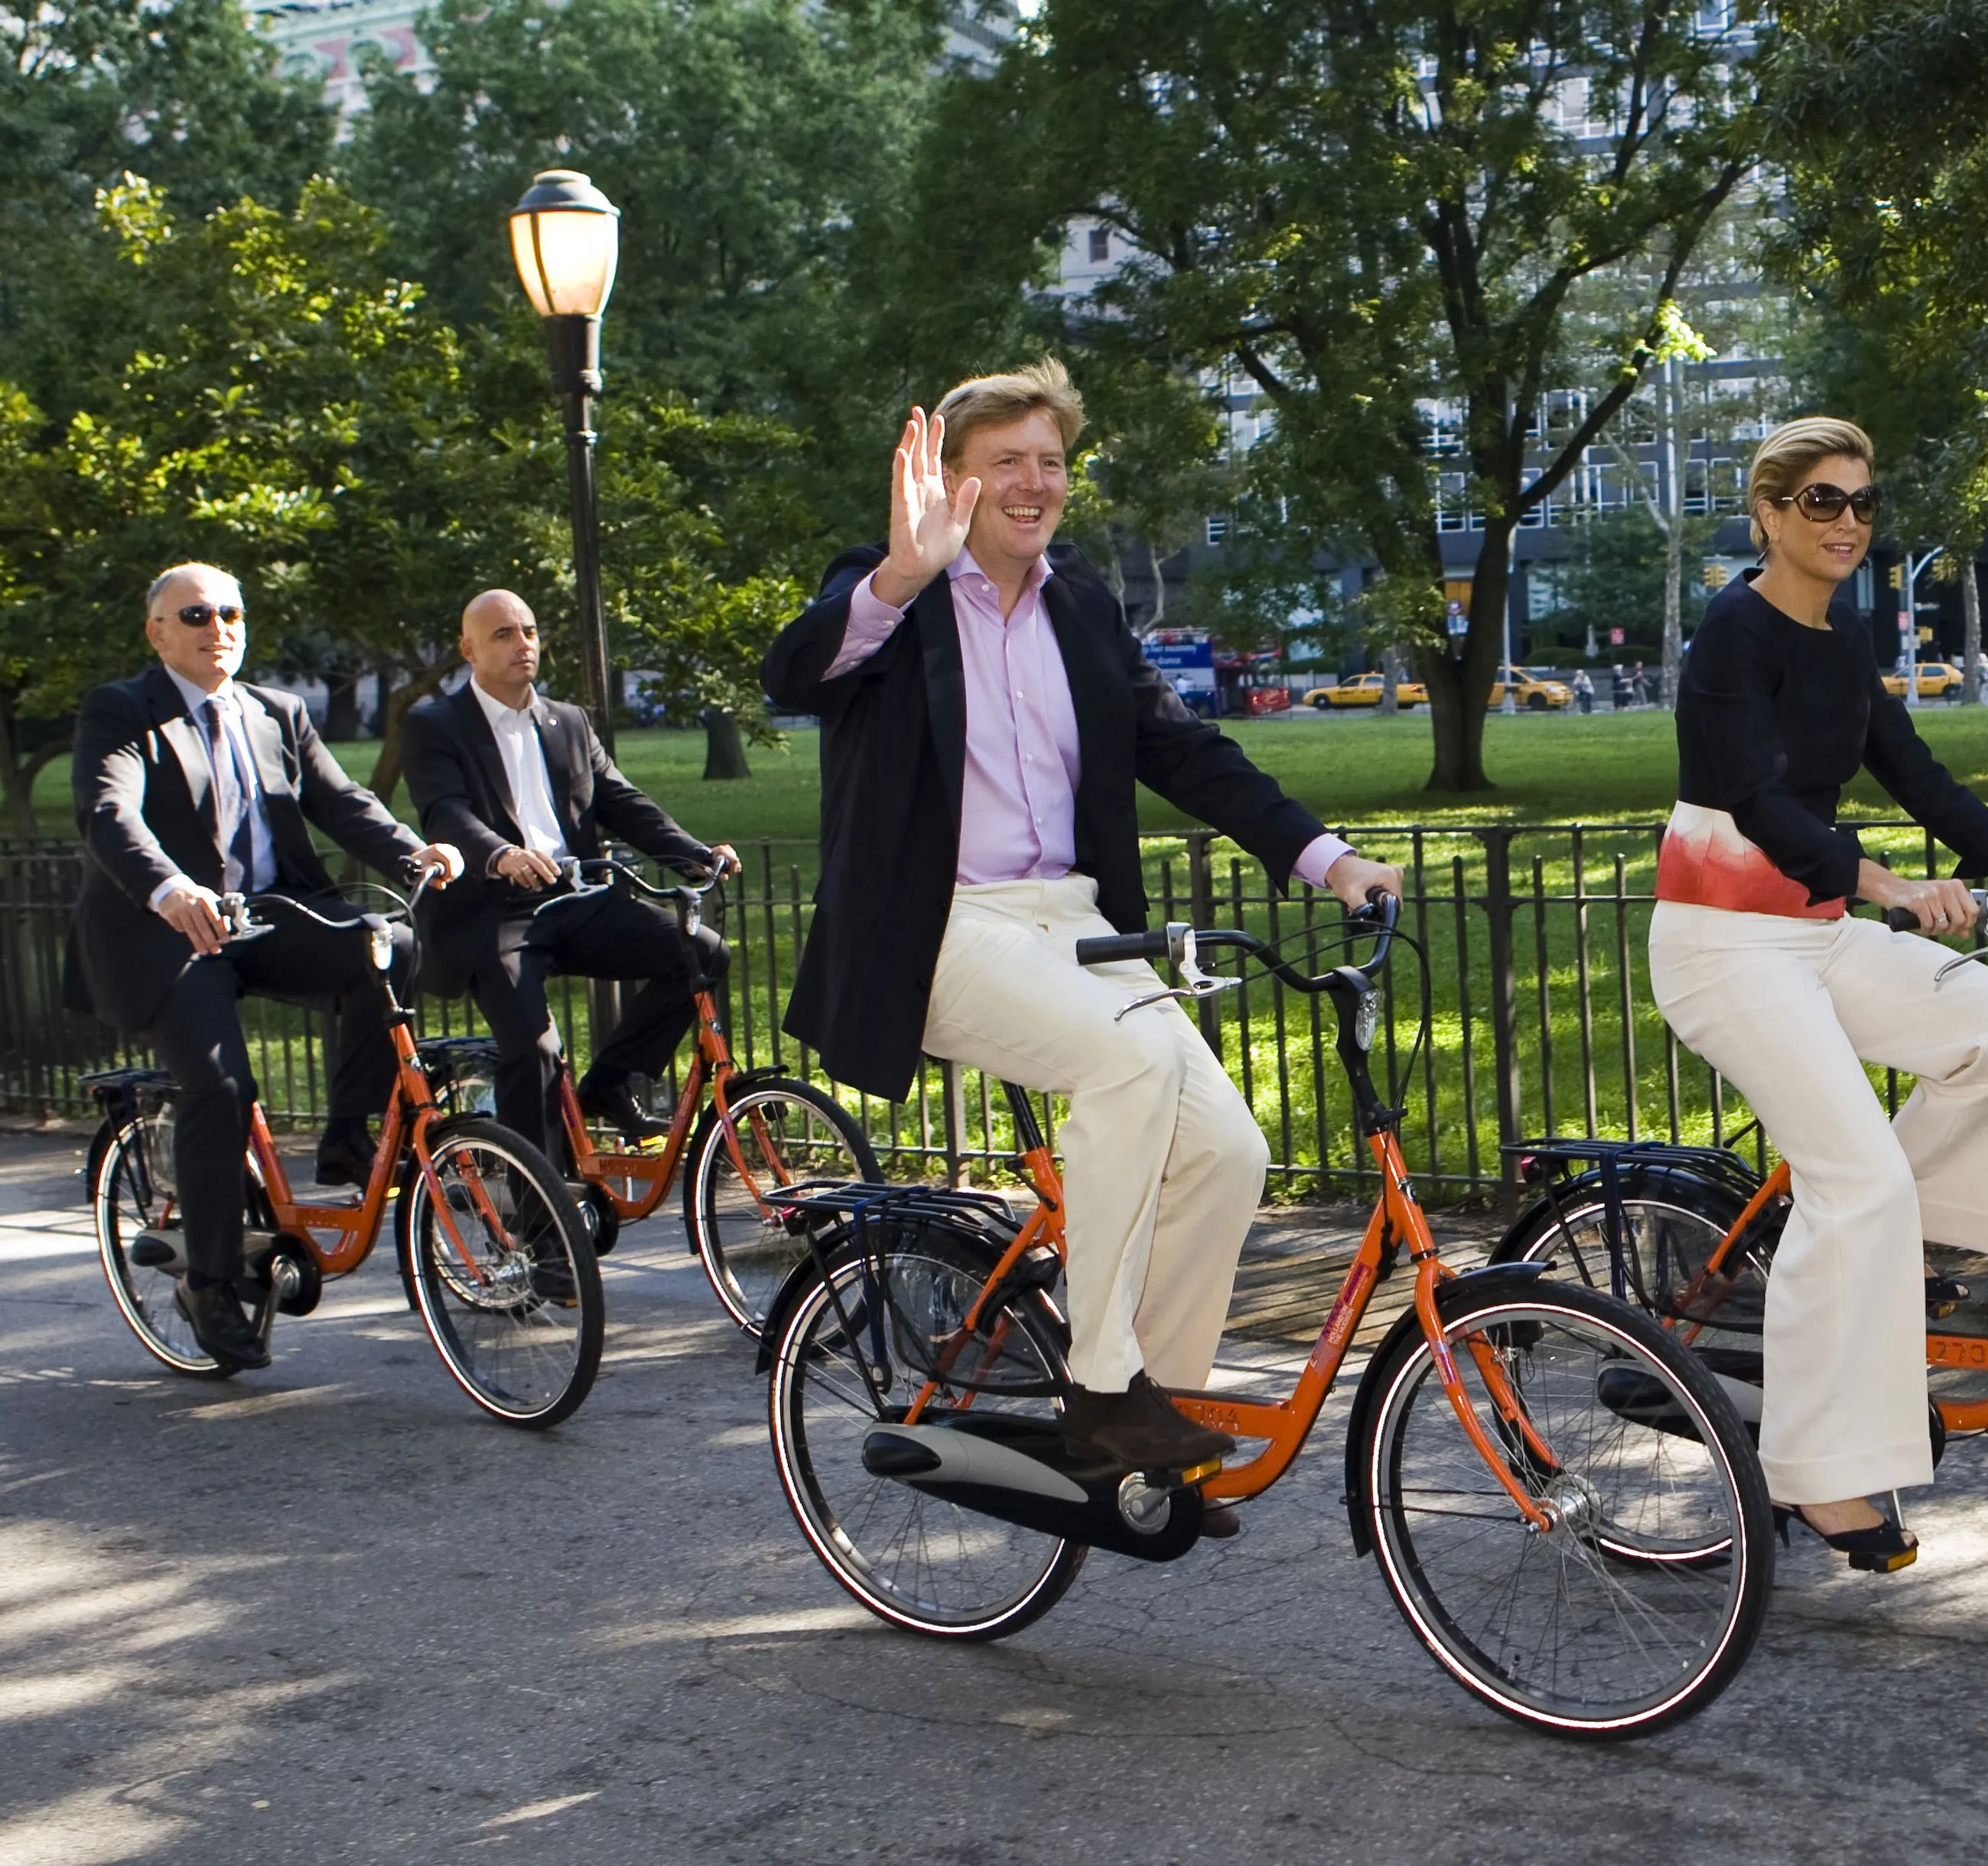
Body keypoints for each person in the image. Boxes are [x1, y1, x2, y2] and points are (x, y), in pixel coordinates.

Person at [762, 359, 1401, 1494]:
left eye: (1050, 461)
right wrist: (904, 572)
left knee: (1229, 1151)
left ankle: (1152, 1435)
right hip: (942, 928)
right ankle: (1102, 1386)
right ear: (952, 482)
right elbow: (795, 674)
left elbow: (1183, 748)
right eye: (1004, 461)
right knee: (1125, 1065)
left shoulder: (1083, 604)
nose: (1033, 482)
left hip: (1072, 920)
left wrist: (1329, 858)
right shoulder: (892, 591)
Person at [1649, 417, 1988, 1569]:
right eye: (1822, 500)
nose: (1848, 521)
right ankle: (1817, 1476)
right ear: (1768, 513)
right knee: (1855, 1180)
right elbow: (1759, 801)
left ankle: (1901, 1247)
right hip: (1723, 946)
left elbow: (1913, 770)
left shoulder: (1843, 630)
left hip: (1813, 934)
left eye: (1862, 502)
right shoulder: (1731, 634)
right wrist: (1889, 886)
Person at [67, 563, 464, 1369]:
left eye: (231, 614)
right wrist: (169, 888)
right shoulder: (123, 709)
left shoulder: (276, 711)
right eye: (196, 615)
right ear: (157, 632)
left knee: (389, 942)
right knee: (220, 1086)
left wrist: (411, 851)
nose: (218, 628)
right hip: (168, 933)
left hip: (269, 916)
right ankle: (210, 1283)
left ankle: (347, 1136)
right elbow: (110, 812)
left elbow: (342, 801)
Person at [401, 591, 740, 1165]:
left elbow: (620, 800)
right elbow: (445, 811)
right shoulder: (435, 724)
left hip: (576, 900)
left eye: (529, 631)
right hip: (495, 912)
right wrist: (500, 854)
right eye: (504, 634)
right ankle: (541, 1199)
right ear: (469, 650)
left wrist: (695, 855)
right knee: (535, 1052)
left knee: (702, 953)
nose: (523, 644)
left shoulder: (569, 721)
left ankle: (609, 1084)